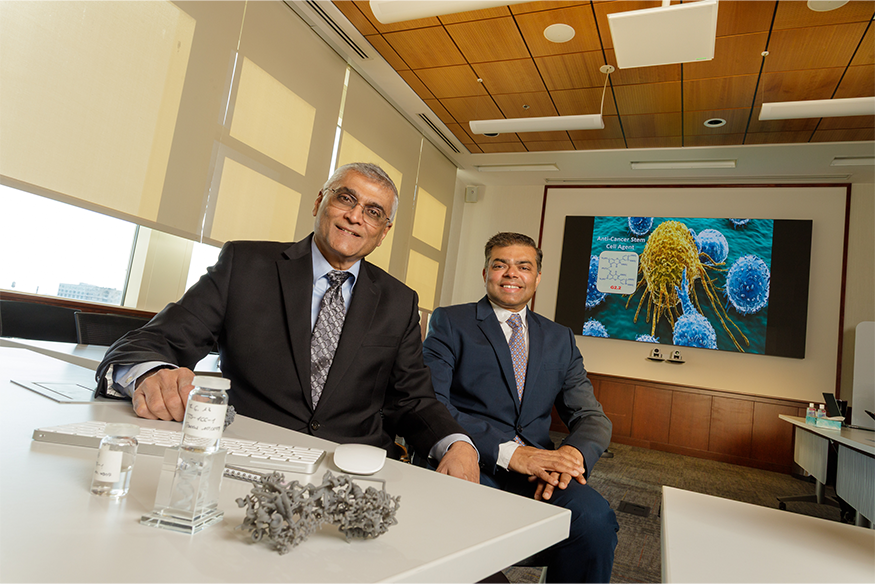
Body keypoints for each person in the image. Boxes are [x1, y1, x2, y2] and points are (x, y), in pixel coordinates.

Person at [96, 162, 478, 482]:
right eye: (346, 198)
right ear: (320, 201)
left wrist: (456, 443)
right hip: (248, 463)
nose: (355, 217)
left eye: (373, 212)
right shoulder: (245, 265)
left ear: (383, 232)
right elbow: (154, 341)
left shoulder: (399, 301)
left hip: (353, 475)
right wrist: (151, 375)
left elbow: (413, 398)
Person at [422, 232, 618, 583]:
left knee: (594, 519)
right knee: (460, 541)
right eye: (501, 265)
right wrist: (512, 454)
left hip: (539, 473)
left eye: (523, 267)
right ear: (486, 273)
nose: (512, 273)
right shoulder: (450, 322)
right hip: (473, 460)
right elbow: (433, 400)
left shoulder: (560, 338)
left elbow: (591, 416)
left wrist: (571, 457)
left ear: (537, 278)